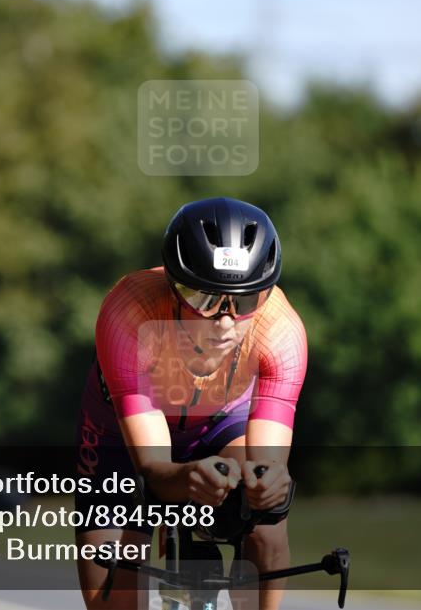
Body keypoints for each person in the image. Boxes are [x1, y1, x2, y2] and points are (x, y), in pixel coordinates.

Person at [74, 197, 307, 610]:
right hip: (121, 435)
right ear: (173, 285)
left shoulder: (281, 331)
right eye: (205, 299)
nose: (225, 321)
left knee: (266, 520)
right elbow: (151, 468)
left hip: (220, 423)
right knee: (113, 589)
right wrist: (183, 479)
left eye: (246, 301)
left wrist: (272, 486)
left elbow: (269, 463)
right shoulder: (129, 312)